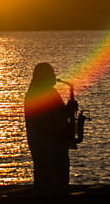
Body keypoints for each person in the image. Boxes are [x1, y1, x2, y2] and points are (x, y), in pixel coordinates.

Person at [24, 62, 76, 194]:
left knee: (59, 177)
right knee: (47, 179)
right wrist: (61, 131)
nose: (54, 77)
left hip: (56, 142)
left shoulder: (50, 93)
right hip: (46, 144)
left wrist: (69, 109)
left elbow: (59, 113)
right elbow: (43, 121)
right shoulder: (36, 94)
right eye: (51, 74)